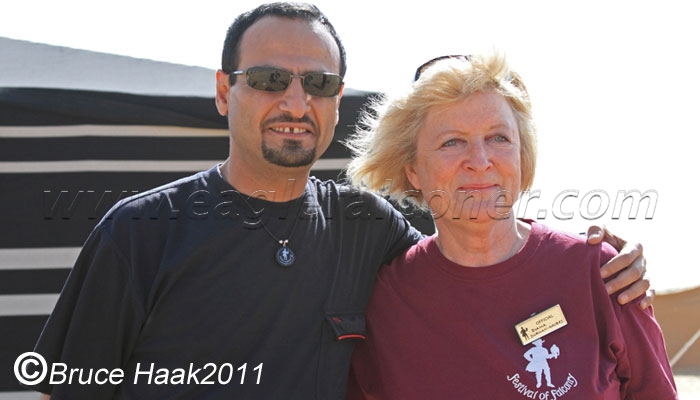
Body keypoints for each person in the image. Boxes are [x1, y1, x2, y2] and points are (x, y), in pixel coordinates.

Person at [29, 3, 649, 399]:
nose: (296, 102)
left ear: (335, 99)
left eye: (318, 84)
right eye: (270, 80)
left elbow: (475, 255)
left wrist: (586, 258)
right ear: (224, 91)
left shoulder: (364, 228)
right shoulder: (139, 232)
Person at [346, 53, 676, 399]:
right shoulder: (384, 300)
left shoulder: (603, 273)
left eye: (498, 138)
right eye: (452, 142)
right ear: (412, 168)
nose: (480, 161)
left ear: (522, 154)